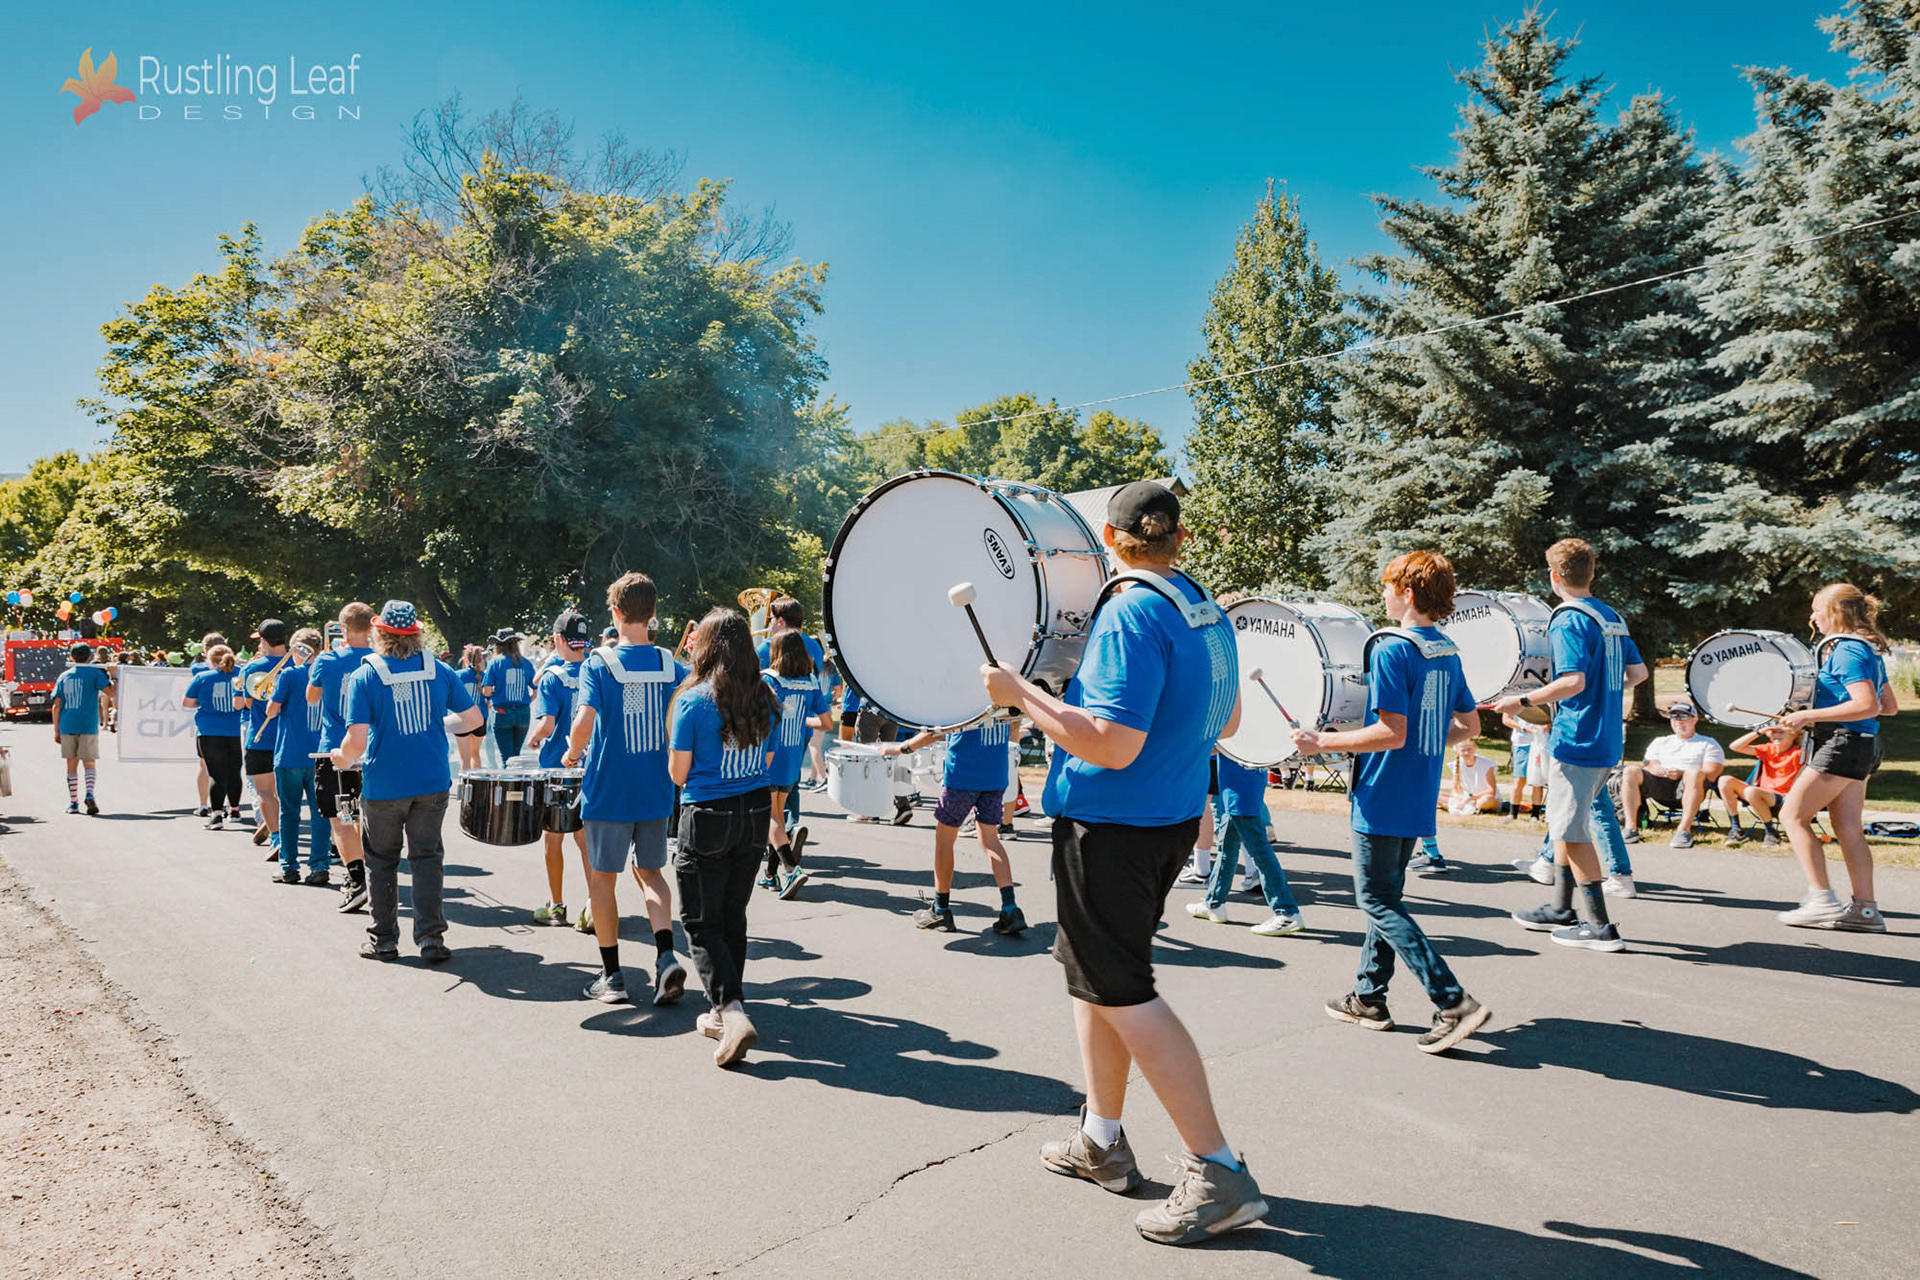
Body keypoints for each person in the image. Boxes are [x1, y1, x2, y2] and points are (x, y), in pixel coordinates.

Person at [980, 480, 1265, 1247]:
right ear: (1180, 538)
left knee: (1125, 991)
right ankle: (1101, 1140)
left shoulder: (1131, 608)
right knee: (1097, 982)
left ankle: (1219, 1171)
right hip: (1168, 819)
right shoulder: (1200, 605)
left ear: (1108, 538)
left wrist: (1019, 695)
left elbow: (1110, 742)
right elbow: (1228, 717)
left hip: (1111, 830)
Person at [1294, 550, 1492, 1054]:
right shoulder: (1446, 649)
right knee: (1388, 896)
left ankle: (1452, 1001)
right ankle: (1369, 997)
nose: (1383, 595)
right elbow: (1469, 727)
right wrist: (1425, 740)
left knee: (1376, 899)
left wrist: (1323, 743)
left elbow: (1389, 732)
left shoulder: (1390, 648)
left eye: (1387, 587)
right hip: (1419, 790)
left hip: (1382, 793)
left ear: (1407, 593)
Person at [1491, 539, 1649, 952]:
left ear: (1555, 576)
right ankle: (1561, 909)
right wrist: (1605, 691)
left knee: (1574, 831)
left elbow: (1572, 681)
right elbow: (1639, 673)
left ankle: (1599, 927)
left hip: (1577, 738)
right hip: (1608, 736)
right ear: (1591, 573)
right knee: (1565, 824)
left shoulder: (1567, 619)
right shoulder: (1609, 616)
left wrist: (1520, 701)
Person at [561, 574, 689, 1006]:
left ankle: (612, 975)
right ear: (653, 613)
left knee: (602, 879)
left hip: (609, 789)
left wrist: (571, 752)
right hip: (656, 788)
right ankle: (667, 954)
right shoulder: (673, 666)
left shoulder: (598, 663)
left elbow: (582, 724)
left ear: (615, 613)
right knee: (651, 874)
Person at [334, 601, 482, 962]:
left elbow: (356, 742)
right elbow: (473, 719)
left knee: (382, 861)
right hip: (431, 780)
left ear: (379, 632)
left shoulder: (365, 674)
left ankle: (384, 940)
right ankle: (431, 938)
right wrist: (440, 725)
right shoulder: (439, 669)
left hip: (384, 784)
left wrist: (340, 758)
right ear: (416, 633)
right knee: (427, 859)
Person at [668, 608, 776, 1068]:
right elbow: (767, 760)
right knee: (733, 913)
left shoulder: (692, 702)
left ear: (704, 647)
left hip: (707, 813)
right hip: (754, 812)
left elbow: (678, 773)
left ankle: (730, 1011)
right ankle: (725, 1008)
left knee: (699, 922)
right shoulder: (764, 697)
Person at [1775, 583, 1899, 932]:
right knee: (1847, 829)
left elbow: (1868, 705)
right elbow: (1889, 707)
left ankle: (1821, 898)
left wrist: (1806, 717)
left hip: (1843, 745)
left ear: (1836, 613)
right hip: (1862, 744)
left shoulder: (1845, 650)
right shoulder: (1868, 650)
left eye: (1817, 609)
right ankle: (1866, 910)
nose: (1812, 616)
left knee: (1792, 815)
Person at [883, 714, 1026, 935]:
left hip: (963, 776)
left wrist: (903, 748)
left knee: (944, 839)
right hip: (995, 775)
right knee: (990, 839)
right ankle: (1010, 908)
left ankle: (940, 908)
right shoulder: (1001, 694)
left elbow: (935, 731)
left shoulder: (964, 699)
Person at [524, 610, 593, 926]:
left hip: (556, 769)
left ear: (558, 639)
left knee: (553, 840)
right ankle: (595, 906)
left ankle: (557, 905)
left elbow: (547, 724)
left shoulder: (552, 677)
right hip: (591, 767)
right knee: (586, 841)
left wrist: (533, 738)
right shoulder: (597, 670)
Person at [1187, 753, 1304, 935]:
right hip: (1237, 785)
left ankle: (1286, 912)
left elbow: (1216, 743)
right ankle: (1214, 903)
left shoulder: (1242, 725)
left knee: (1260, 852)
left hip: (1240, 787)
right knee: (1226, 848)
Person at [310, 603, 376, 912]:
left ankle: (356, 879)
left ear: (344, 629)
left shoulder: (327, 659)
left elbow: (312, 697)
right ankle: (374, 875)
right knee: (367, 817)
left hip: (333, 749)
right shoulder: (378, 660)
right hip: (371, 748)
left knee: (341, 818)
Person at [760, 631, 832, 900]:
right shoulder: (811, 682)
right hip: (792, 760)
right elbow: (826, 723)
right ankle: (770, 875)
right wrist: (802, 721)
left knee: (771, 817)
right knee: (777, 815)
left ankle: (791, 869)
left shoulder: (768, 680)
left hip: (769, 756)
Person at [260, 628, 331, 886]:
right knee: (320, 812)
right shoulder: (328, 674)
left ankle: (289, 867)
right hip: (320, 752)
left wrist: (272, 694)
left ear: (299, 650)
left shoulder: (290, 674)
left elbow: (272, 710)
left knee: (289, 812)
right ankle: (319, 865)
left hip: (290, 752)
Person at [1619, 701, 1725, 848]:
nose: (1678, 720)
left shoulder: (1708, 743)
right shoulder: (1660, 741)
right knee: (1630, 771)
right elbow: (1649, 762)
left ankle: (1684, 830)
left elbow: (1713, 772)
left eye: (1684, 716)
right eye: (1674, 717)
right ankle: (1630, 827)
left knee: (1694, 773)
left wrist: (1682, 773)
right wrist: (1655, 768)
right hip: (1660, 785)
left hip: (1689, 787)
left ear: (1695, 719)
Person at [236, 620, 292, 855]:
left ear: (263, 640)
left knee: (264, 792)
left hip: (261, 737)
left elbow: (247, 704)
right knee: (290, 795)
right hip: (291, 737)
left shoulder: (252, 667)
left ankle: (278, 839)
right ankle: (290, 837)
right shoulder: (296, 665)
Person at [184, 645, 246, 829]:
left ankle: (217, 814)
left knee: (216, 773)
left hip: (209, 730)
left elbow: (187, 702)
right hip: (234, 730)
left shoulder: (203, 677)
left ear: (211, 660)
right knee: (234, 771)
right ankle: (234, 810)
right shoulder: (241, 674)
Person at [50, 643, 114, 815]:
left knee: (71, 764)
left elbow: (57, 705)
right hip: (88, 724)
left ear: (72, 658)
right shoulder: (95, 673)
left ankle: (73, 803)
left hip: (67, 724)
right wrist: (111, 675)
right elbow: (111, 693)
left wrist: (56, 730)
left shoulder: (64, 676)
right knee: (89, 762)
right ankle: (90, 793)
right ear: (89, 657)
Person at [1720, 723, 1802, 847]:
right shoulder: (1768, 749)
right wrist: (1760, 732)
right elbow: (1735, 746)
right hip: (1760, 794)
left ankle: (1771, 833)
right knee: (1725, 780)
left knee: (1751, 791)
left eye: (1781, 732)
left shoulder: (1799, 753)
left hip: (1783, 799)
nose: (1776, 735)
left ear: (1793, 734)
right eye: (1774, 732)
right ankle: (1736, 829)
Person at [482, 630, 535, 763]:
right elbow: (535, 689)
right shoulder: (526, 663)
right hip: (523, 711)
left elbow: (487, 691)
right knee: (516, 755)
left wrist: (495, 694)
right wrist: (528, 700)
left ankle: (509, 783)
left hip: (501, 711)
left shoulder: (495, 663)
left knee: (507, 757)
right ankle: (518, 783)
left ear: (498, 645)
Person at [188, 632, 224, 816]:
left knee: (204, 765)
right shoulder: (235, 669)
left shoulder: (198, 669)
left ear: (205, 649)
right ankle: (226, 805)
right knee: (226, 767)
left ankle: (203, 804)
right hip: (229, 726)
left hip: (206, 725)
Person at [1501, 710, 1547, 820]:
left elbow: (1551, 718)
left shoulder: (1544, 696)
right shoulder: (1515, 697)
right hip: (1522, 743)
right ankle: (1513, 813)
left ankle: (1535, 815)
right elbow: (1506, 719)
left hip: (1540, 742)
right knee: (1519, 780)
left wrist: (1546, 726)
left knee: (1537, 780)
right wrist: (1523, 727)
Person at [1443, 739, 1501, 815]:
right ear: (1458, 751)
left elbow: (1491, 791)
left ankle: (1470, 807)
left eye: (1469, 749)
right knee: (1436, 796)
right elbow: (1455, 789)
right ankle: (1468, 808)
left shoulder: (1487, 764)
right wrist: (1457, 799)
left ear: (1475, 748)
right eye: (1463, 750)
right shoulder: (1456, 764)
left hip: (1482, 798)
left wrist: (1470, 798)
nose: (1467, 753)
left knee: (1486, 800)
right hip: (1466, 798)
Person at [454, 645, 488, 772]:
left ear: (465, 659)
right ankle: (477, 787)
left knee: (464, 758)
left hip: (462, 719)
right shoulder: (485, 676)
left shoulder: (457, 675)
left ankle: (464, 788)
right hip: (480, 719)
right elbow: (489, 699)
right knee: (476, 754)